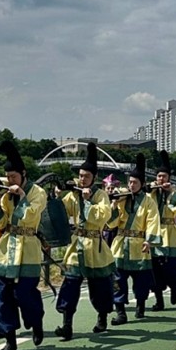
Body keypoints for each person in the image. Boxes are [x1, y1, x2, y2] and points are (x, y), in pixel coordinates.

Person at [0, 140, 47, 350]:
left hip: (28, 248)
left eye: (14, 177)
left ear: (23, 174)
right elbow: (0, 223)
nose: (10, 181)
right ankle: (10, 339)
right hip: (6, 249)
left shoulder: (38, 192)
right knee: (2, 296)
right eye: (8, 177)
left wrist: (21, 196)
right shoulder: (7, 196)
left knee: (25, 293)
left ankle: (36, 322)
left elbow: (31, 215)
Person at [54, 142, 117, 339]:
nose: (82, 179)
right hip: (77, 245)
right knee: (70, 284)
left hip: (95, 247)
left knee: (100, 286)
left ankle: (102, 317)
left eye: (86, 176)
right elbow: (62, 213)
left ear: (94, 178)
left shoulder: (101, 196)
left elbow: (103, 216)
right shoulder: (74, 195)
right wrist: (57, 198)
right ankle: (67, 325)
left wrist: (88, 201)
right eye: (80, 176)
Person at [110, 154, 161, 323]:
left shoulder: (148, 201)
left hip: (139, 245)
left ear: (142, 184)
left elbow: (153, 220)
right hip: (120, 244)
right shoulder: (122, 198)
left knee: (141, 281)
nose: (131, 185)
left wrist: (149, 240)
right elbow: (111, 223)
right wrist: (114, 206)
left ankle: (140, 305)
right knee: (118, 280)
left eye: (135, 182)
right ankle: (120, 312)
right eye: (130, 182)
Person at [148, 151, 176, 310]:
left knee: (172, 266)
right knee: (155, 269)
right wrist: (152, 189)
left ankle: (174, 287)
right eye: (159, 176)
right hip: (155, 232)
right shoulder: (151, 193)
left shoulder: (172, 195)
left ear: (168, 178)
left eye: (164, 176)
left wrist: (170, 191)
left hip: (170, 232)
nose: (161, 179)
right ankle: (159, 300)